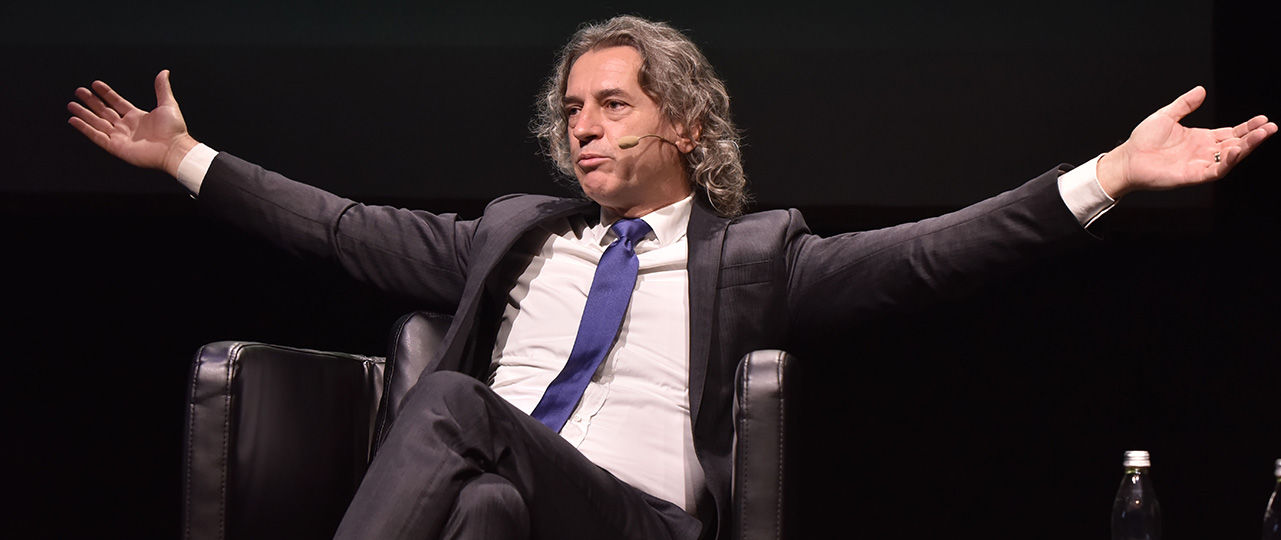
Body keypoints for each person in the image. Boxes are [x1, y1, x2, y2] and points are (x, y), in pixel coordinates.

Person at [66, 15, 1273, 540]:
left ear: (685, 123)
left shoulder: (752, 255)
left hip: (636, 523)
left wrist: (1111, 175)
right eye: (570, 111)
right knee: (482, 509)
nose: (581, 127)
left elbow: (930, 255)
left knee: (447, 406)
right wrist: (184, 159)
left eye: (611, 104)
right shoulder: (513, 235)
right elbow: (338, 229)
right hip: (505, 498)